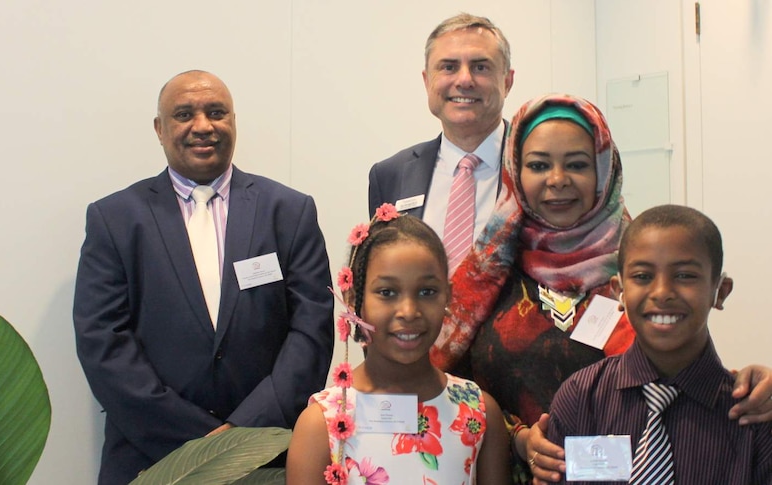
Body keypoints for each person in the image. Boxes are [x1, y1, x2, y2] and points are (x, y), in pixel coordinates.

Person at [430, 93, 772, 484]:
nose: (557, 180)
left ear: (603, 170)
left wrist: (754, 384)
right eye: (539, 165)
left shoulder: (640, 255)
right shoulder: (487, 272)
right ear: (515, 171)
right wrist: (518, 439)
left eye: (577, 164)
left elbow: (684, 358)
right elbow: (448, 385)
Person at [73, 70, 334, 484]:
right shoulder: (115, 219)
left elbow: (312, 332)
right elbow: (102, 342)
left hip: (268, 456)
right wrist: (201, 445)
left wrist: (245, 436)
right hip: (150, 458)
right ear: (160, 129)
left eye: (217, 112)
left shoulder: (289, 211)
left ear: (233, 122)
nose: (203, 126)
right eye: (184, 114)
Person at [547, 204, 772, 484]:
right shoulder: (581, 397)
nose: (662, 292)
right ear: (619, 292)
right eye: (643, 277)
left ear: (720, 292)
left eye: (685, 276)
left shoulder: (754, 414)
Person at [286, 206, 510, 484]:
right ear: (355, 299)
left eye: (427, 292)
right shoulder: (321, 424)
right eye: (387, 292)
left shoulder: (478, 412)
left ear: (448, 297)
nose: (408, 311)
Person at [368, 12, 513, 277]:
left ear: (507, 81)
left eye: (481, 67)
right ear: (427, 81)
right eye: (448, 67)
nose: (464, 80)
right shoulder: (390, 175)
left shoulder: (538, 165)